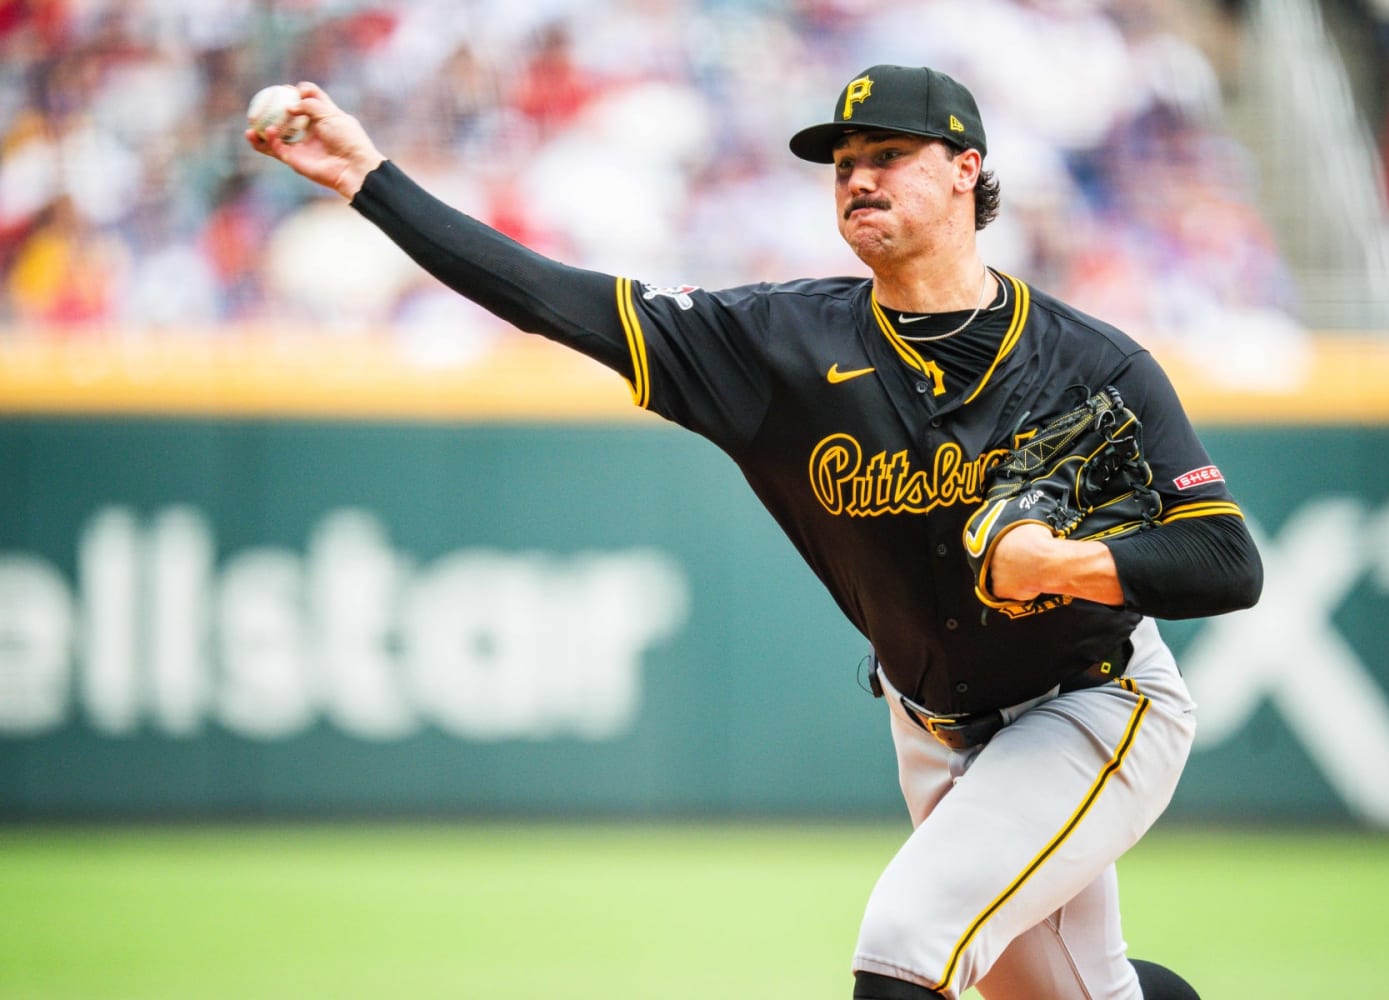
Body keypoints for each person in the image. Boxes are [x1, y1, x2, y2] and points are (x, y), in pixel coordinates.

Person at [249, 64, 1262, 1000]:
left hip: (1094, 706)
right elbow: (552, 300)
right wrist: (368, 179)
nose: (857, 179)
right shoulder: (775, 343)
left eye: (888, 158)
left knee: (906, 941)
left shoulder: (1092, 364)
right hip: (933, 725)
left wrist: (1068, 563)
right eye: (845, 165)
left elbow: (1226, 559)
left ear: (966, 171)